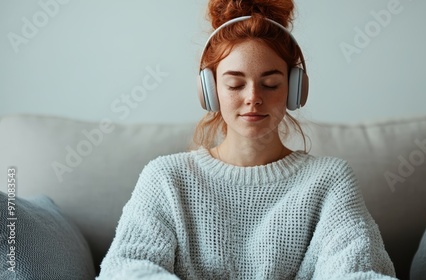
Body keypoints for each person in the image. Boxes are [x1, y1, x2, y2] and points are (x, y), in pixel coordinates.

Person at [97, 0, 397, 279]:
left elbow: (356, 268)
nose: (253, 98)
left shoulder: (329, 180)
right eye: (235, 84)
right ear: (211, 91)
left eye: (270, 84)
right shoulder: (166, 178)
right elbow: (126, 267)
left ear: (295, 89)